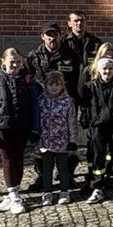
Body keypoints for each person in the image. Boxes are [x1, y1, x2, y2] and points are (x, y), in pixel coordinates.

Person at [0, 47, 39, 214]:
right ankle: (13, 194)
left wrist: (36, 127)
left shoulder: (28, 80)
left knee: (19, 158)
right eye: (12, 62)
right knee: (7, 159)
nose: (15, 65)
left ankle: (14, 191)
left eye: (18, 62)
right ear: (3, 63)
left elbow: (35, 105)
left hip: (22, 125)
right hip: (2, 126)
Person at [81, 47, 113, 202]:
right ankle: (97, 188)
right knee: (98, 158)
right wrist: (86, 126)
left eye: (110, 68)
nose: (107, 72)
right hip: (97, 128)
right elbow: (85, 107)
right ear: (98, 69)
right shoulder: (90, 87)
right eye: (104, 68)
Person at [34, 69, 79, 205]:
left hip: (61, 141)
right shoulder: (41, 101)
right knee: (46, 169)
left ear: (62, 86)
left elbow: (72, 121)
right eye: (51, 84)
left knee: (62, 168)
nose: (54, 88)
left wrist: (72, 140)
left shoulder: (67, 101)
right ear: (46, 85)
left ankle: (64, 191)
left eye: (57, 85)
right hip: (45, 142)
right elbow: (36, 119)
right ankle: (47, 192)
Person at [58, 12, 100, 101]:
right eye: (76, 21)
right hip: (68, 90)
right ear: (69, 23)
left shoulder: (96, 43)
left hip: (90, 88)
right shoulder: (62, 43)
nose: (79, 23)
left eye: (82, 20)